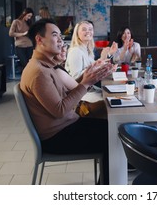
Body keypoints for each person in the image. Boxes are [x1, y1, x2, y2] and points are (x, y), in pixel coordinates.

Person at [20, 18, 113, 184]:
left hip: (67, 126)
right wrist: (86, 83)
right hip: (57, 137)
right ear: (39, 40)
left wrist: (86, 79)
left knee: (113, 128)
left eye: (61, 37)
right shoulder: (38, 72)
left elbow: (70, 90)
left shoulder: (46, 66)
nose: (61, 41)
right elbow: (60, 110)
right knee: (114, 135)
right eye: (55, 35)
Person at [9, 8, 35, 72]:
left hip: (29, 45)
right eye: (28, 16)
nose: (29, 18)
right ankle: (25, 79)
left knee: (30, 64)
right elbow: (11, 34)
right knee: (24, 64)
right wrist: (23, 34)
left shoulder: (29, 22)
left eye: (30, 16)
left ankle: (29, 79)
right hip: (20, 46)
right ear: (24, 14)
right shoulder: (16, 22)